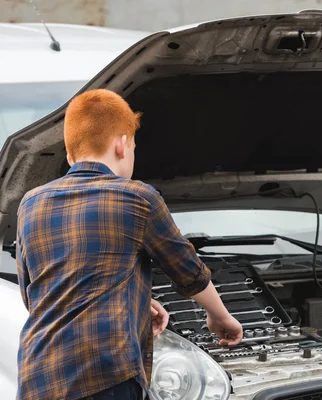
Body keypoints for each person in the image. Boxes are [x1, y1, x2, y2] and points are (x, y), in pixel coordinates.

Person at [15, 89, 243, 400]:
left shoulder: (30, 204)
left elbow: (39, 293)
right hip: (104, 378)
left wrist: (135, 302)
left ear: (70, 156)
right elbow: (189, 272)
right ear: (123, 145)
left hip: (38, 378)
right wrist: (220, 317)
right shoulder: (137, 197)